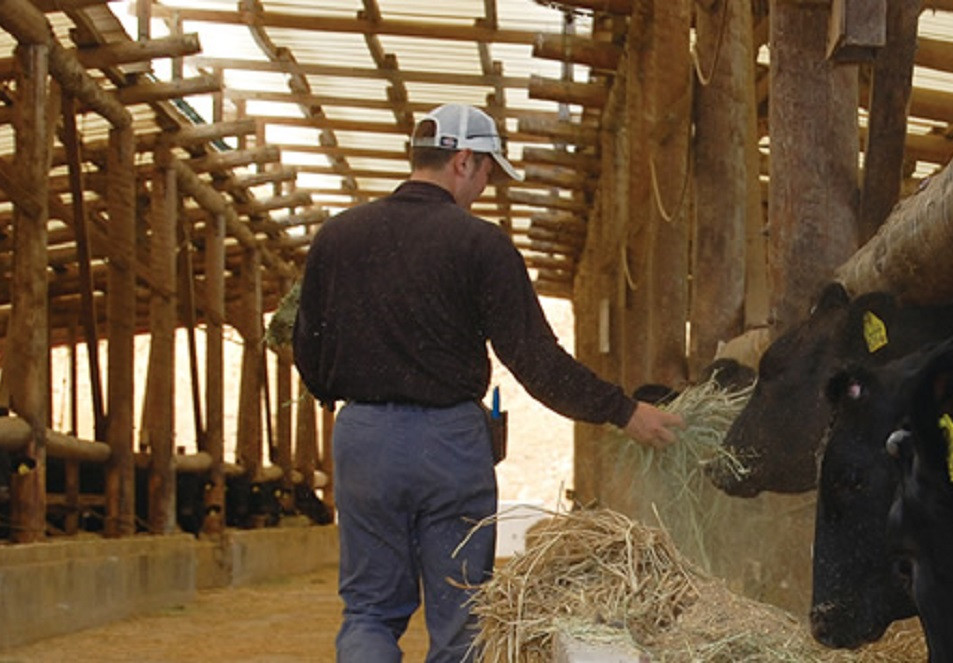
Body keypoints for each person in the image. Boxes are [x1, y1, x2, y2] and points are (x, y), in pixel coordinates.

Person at [292, 103, 685, 663]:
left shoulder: (337, 238)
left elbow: (308, 352)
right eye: (487, 173)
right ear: (463, 160)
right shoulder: (480, 243)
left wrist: (362, 401)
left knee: (369, 614)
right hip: (448, 441)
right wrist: (624, 411)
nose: (485, 186)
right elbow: (534, 360)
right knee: (461, 622)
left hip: (363, 437)